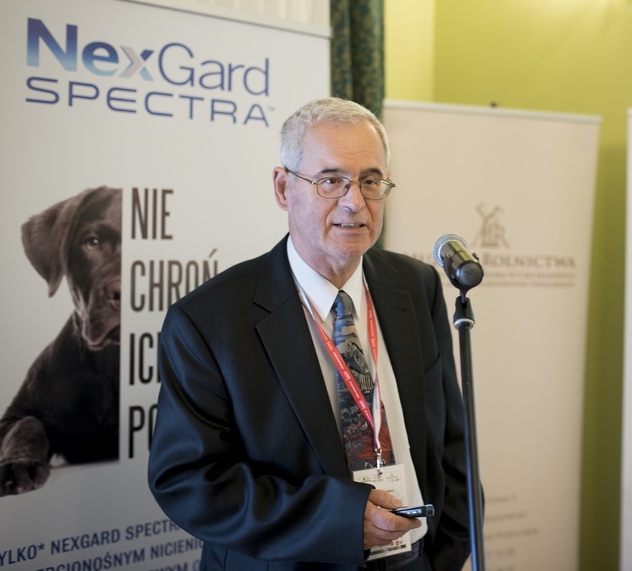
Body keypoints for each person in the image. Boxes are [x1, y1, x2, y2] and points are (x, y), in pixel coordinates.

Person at [148, 97, 473, 571]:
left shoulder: (416, 286)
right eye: (331, 181)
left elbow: (451, 444)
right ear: (283, 188)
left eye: (370, 181)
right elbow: (190, 482)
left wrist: (443, 557)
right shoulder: (208, 321)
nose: (355, 202)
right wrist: (340, 521)